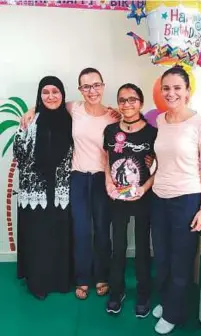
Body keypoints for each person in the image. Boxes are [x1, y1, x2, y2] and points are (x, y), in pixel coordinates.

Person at [20, 68, 117, 299]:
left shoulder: (114, 116)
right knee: (81, 230)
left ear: (103, 86)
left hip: (102, 179)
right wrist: (31, 109)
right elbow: (48, 103)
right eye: (86, 86)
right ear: (80, 89)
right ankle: (82, 278)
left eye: (96, 85)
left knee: (103, 230)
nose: (91, 91)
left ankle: (102, 276)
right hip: (77, 178)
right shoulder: (74, 108)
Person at [150, 66, 201, 334]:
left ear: (188, 91)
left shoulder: (200, 124)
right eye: (167, 88)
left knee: (180, 259)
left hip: (187, 199)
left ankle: (175, 313)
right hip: (159, 197)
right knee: (162, 257)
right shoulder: (161, 121)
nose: (171, 93)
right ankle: (166, 300)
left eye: (177, 88)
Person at [13, 76, 73, 299]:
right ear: (39, 95)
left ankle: (60, 279)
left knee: (59, 235)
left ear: (62, 94)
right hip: (35, 190)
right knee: (38, 238)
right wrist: (28, 119)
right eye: (45, 92)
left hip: (61, 190)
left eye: (55, 91)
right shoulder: (31, 119)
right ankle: (38, 281)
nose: (50, 96)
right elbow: (18, 152)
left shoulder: (70, 118)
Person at [104, 83, 158, 318]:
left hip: (143, 197)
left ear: (141, 103)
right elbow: (106, 159)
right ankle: (116, 292)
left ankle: (143, 293)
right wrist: (108, 182)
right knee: (118, 247)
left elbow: (160, 166)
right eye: (122, 100)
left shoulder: (153, 133)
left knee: (143, 248)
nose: (127, 104)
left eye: (132, 99)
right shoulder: (110, 130)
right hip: (117, 197)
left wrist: (145, 188)